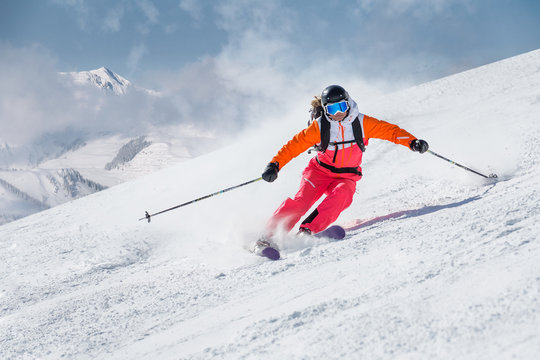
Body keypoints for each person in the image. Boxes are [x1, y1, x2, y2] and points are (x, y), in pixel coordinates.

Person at [258, 85, 428, 246]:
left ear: (348, 103)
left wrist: (412, 142)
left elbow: (390, 131)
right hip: (319, 172)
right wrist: (275, 165)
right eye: (332, 109)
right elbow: (294, 146)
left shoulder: (362, 123)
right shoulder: (319, 127)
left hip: (347, 176)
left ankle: (307, 231)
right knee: (301, 201)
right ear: (325, 110)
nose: (339, 112)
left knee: (342, 195)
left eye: (342, 106)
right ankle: (267, 237)